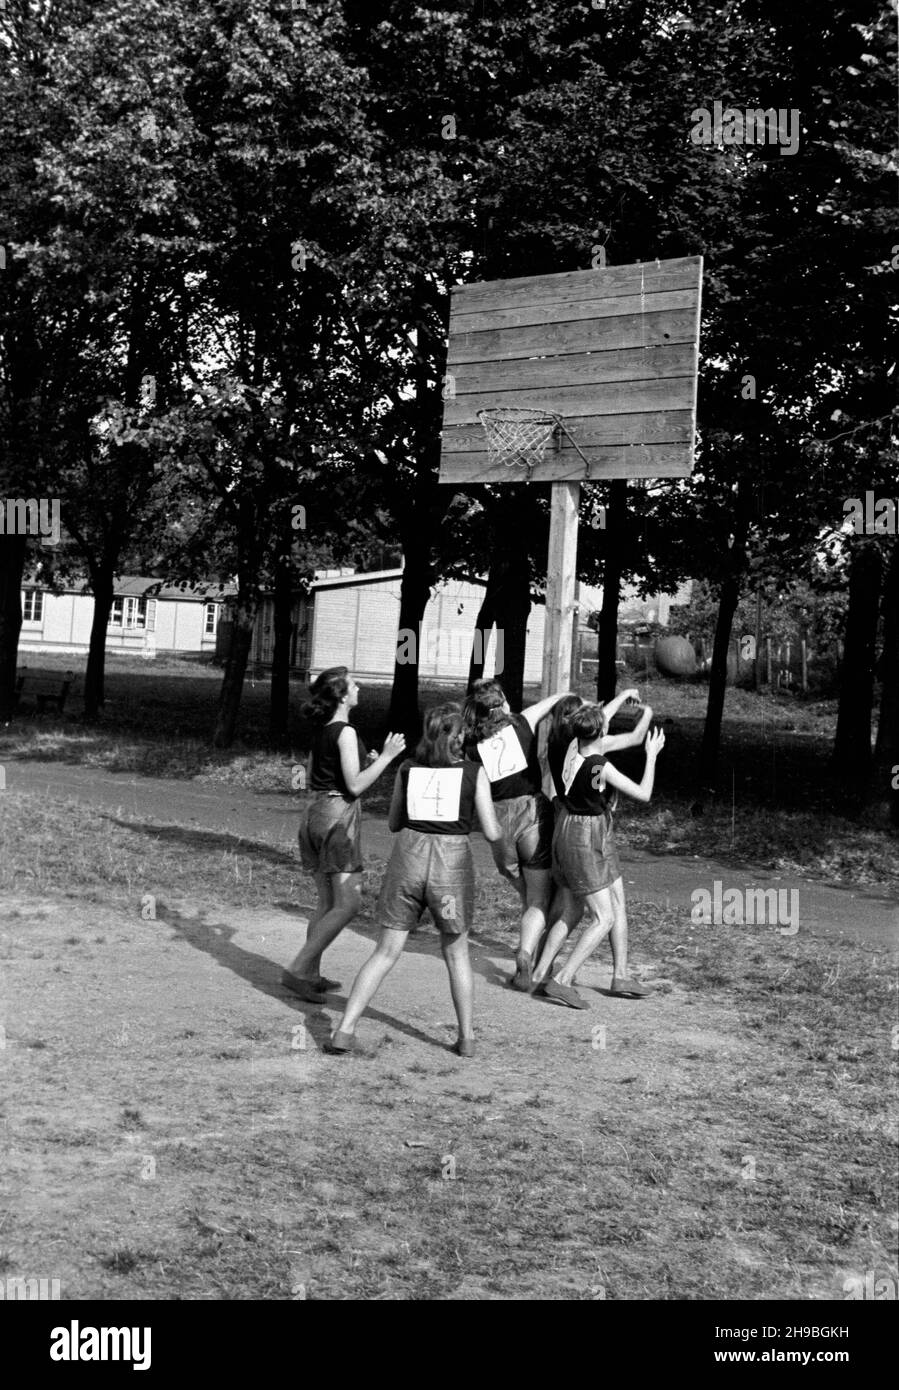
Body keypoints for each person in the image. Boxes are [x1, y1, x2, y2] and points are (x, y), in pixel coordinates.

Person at [326, 703, 516, 1057]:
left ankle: (345, 1029)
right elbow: (492, 832)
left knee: (385, 951)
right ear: (459, 736)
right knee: (457, 953)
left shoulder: (407, 769)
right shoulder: (474, 773)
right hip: (451, 867)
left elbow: (394, 823)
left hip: (408, 860)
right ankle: (467, 1037)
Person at [282, 666, 405, 1003]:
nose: (358, 687)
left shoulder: (323, 729)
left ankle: (308, 974)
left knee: (326, 902)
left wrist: (368, 762)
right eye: (353, 684)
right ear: (341, 695)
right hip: (338, 818)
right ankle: (297, 969)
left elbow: (317, 773)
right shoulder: (346, 731)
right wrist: (388, 759)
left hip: (315, 813)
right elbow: (354, 786)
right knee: (349, 903)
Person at [538, 702, 665, 1009]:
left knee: (602, 904)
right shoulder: (600, 765)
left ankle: (614, 974)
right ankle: (561, 979)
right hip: (585, 836)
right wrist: (651, 757)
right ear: (603, 730)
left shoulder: (573, 748)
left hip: (578, 827)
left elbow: (601, 724)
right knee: (603, 916)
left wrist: (639, 707)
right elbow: (644, 793)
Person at [461, 678, 566, 992]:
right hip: (531, 812)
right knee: (538, 898)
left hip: (496, 821)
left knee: (526, 894)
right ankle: (527, 953)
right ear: (503, 701)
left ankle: (529, 946)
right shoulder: (522, 722)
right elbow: (552, 703)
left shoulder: (470, 745)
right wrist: (570, 696)